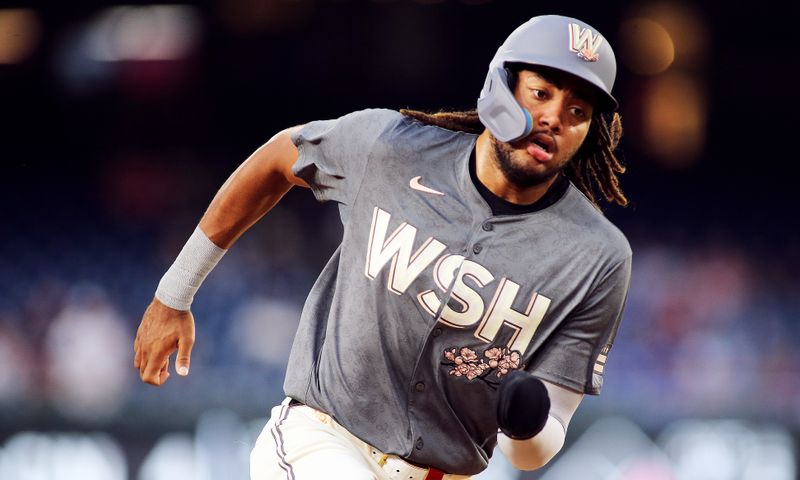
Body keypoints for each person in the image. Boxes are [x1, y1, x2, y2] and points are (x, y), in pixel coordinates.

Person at [134, 14, 632, 480]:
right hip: (323, 441)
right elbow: (278, 157)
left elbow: (545, 437)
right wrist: (175, 292)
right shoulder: (390, 148)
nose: (553, 118)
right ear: (501, 88)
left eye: (577, 111)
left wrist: (525, 426)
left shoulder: (597, 256)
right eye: (540, 92)